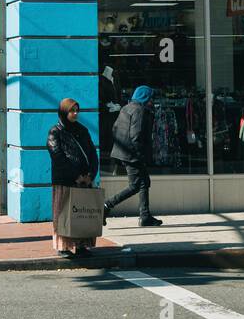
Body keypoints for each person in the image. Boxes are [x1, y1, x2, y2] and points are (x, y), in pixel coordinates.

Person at [103, 85, 163, 227]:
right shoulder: (139, 110)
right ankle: (106, 206)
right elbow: (136, 135)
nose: (152, 101)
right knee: (135, 185)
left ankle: (145, 216)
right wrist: (140, 155)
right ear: (145, 97)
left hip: (124, 152)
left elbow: (115, 128)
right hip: (133, 154)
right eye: (150, 98)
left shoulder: (127, 107)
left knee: (144, 182)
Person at [47, 97, 99, 258]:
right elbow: (58, 156)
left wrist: (90, 175)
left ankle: (82, 245)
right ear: (64, 112)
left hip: (84, 180)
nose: (75, 113)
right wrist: (75, 176)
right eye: (71, 110)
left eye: (77, 110)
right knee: (63, 214)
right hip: (65, 180)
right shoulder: (55, 132)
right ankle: (63, 247)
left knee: (82, 213)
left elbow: (92, 153)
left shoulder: (82, 130)